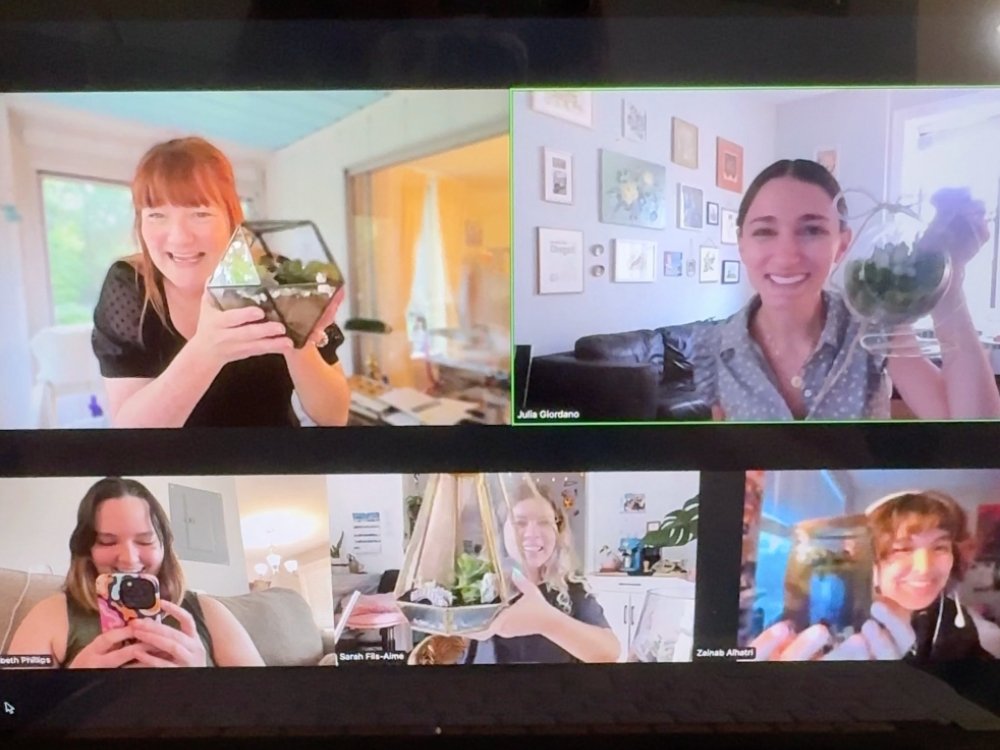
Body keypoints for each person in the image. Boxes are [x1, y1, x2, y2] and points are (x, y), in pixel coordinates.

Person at [690, 158, 1000, 421]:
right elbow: (727, 463)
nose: (786, 256)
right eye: (764, 232)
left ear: (842, 245)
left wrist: (948, 280)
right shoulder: (712, 346)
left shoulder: (874, 327)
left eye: (812, 230)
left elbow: (975, 431)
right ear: (741, 243)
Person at [91, 137, 351, 427]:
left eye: (200, 213)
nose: (179, 237)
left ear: (231, 219)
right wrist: (206, 351)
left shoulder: (275, 275)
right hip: (180, 472)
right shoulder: (130, 286)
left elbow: (334, 417)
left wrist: (298, 342)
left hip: (275, 467)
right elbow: (131, 436)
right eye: (157, 215)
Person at [7, 477, 264, 668]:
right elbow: (10, 708)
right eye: (107, 541)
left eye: (144, 541)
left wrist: (200, 681)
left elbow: (267, 702)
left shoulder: (208, 611)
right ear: (87, 549)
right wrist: (74, 684)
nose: (129, 558)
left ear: (165, 546)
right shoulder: (52, 613)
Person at [751, 490, 1000, 662]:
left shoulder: (954, 619)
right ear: (866, 559)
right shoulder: (821, 619)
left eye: (939, 547)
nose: (925, 568)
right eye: (901, 549)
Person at [463, 485, 620, 664]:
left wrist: (546, 621)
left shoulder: (571, 589)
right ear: (500, 532)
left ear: (558, 531)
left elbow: (610, 652)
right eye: (519, 522)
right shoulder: (478, 587)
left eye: (544, 522)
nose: (532, 534)